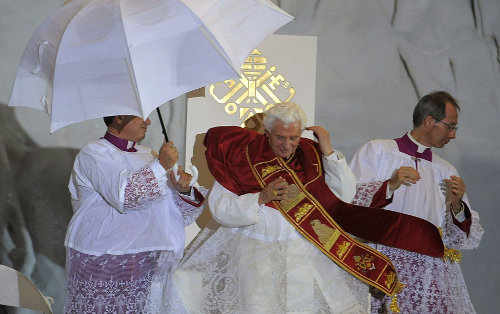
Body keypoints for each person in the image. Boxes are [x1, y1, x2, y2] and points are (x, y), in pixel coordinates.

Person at [167, 102, 445, 313]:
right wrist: (260, 198)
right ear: (267, 133)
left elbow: (344, 195)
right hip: (255, 252)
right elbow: (220, 209)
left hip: (304, 250)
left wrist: (328, 152)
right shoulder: (242, 158)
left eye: (294, 138)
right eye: (280, 138)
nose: (288, 145)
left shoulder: (310, 156)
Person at [350, 91, 484, 313]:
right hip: (381, 266)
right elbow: (349, 205)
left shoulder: (446, 170)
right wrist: (389, 186)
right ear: (429, 121)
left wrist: (457, 206)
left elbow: (458, 240)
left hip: (428, 275)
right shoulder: (378, 151)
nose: (453, 135)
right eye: (451, 127)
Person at [64, 115, 205, 313]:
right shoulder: (94, 153)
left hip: (147, 260)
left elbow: (178, 212)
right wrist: (160, 166)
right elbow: (124, 197)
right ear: (120, 117)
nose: (147, 123)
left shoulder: (149, 154)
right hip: (105, 260)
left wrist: (182, 189)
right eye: (142, 117)